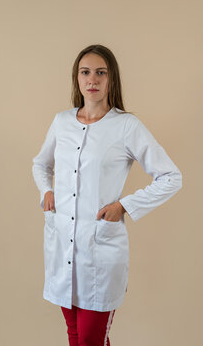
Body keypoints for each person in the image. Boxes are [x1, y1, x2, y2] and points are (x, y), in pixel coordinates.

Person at [32, 44, 182, 346]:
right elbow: (40, 163)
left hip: (99, 250)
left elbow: (171, 177)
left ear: (111, 79)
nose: (93, 79)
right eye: (85, 72)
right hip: (63, 246)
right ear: (77, 78)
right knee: (74, 334)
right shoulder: (62, 122)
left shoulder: (126, 126)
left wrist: (124, 206)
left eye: (101, 73)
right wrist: (46, 190)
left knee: (90, 338)